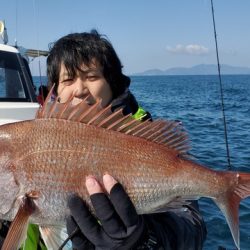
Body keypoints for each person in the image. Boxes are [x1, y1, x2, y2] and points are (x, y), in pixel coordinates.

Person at [46, 30, 207, 249]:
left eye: (92, 76)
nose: (80, 90)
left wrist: (145, 240)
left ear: (112, 82)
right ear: (56, 91)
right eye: (68, 79)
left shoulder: (149, 138)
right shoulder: (39, 142)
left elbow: (193, 230)